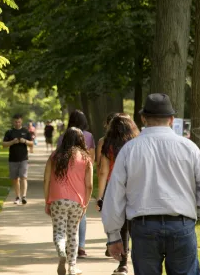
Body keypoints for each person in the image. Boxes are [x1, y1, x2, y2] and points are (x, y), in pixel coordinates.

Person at [102, 93, 200, 275]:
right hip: (181, 224)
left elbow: (114, 194)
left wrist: (113, 235)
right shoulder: (188, 147)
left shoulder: (130, 150)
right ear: (172, 119)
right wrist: (198, 212)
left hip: (144, 227)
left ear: (143, 118)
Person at [44, 127, 93, 275]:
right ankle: (72, 267)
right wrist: (86, 203)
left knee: (59, 233)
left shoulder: (55, 156)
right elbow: (89, 185)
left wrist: (47, 200)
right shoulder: (86, 158)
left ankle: (61, 252)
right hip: (77, 201)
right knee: (73, 233)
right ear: (81, 140)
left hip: (57, 200)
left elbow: (46, 180)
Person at [97, 114, 139, 275]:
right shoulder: (136, 143)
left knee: (121, 227)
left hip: (115, 188)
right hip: (135, 187)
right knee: (136, 224)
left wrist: (100, 196)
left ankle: (123, 264)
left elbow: (103, 172)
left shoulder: (108, 144)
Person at [57, 110, 95, 258]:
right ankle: (81, 246)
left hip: (66, 179)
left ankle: (67, 246)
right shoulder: (89, 136)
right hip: (82, 177)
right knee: (82, 214)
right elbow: (91, 158)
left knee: (65, 217)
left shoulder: (63, 137)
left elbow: (58, 158)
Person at [3, 114, 34, 205]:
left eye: (19, 121)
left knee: (23, 177)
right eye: (16, 121)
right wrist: (12, 142)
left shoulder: (25, 131)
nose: (17, 123)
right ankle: (17, 197)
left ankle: (24, 197)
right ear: (13, 121)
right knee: (15, 179)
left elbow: (31, 144)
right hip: (12, 159)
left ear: (22, 121)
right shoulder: (9, 132)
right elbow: (4, 145)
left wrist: (25, 141)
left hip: (23, 158)